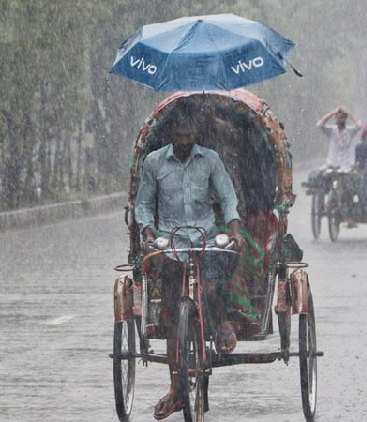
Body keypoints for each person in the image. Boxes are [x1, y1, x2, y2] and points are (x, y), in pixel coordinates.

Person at [135, 111, 247, 420]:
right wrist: (146, 232)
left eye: (189, 135)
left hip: (205, 237)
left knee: (212, 283)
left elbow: (227, 197)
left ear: (195, 134)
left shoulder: (210, 160)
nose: (184, 141)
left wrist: (234, 230)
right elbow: (143, 203)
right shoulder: (154, 162)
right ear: (171, 133)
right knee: (172, 315)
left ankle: (221, 321)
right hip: (170, 242)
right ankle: (175, 388)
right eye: (179, 135)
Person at [314, 106, 362, 228]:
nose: (340, 120)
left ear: (345, 119)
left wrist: (348, 112)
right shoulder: (332, 131)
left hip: (347, 167)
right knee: (323, 181)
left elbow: (359, 125)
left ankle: (348, 216)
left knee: (347, 191)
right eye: (338, 117)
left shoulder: (350, 132)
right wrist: (333, 111)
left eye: (342, 117)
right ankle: (326, 204)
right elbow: (319, 124)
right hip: (332, 164)